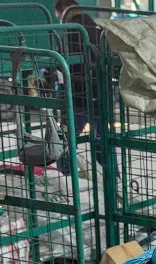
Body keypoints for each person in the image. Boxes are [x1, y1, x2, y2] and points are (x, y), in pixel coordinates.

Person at [54, 0, 102, 158]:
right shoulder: (98, 28)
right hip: (102, 94)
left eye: (59, 17)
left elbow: (63, 62)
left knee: (66, 140)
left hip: (78, 95)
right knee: (103, 141)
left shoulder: (70, 31)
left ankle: (66, 175)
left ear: (63, 12)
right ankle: (110, 178)